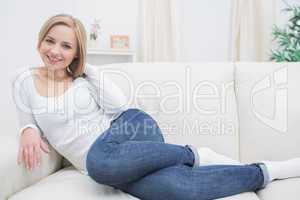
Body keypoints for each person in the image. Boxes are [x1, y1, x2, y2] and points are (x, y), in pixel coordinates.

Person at [12, 14, 300, 200]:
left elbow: (122, 109)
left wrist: (87, 69)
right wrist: (27, 128)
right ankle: (267, 172)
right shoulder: (24, 80)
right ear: (39, 42)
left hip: (132, 130)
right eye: (50, 41)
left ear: (76, 53)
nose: (55, 51)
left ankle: (193, 154)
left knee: (99, 161)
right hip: (110, 168)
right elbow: (27, 118)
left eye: (66, 46)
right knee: (175, 188)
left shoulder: (84, 78)